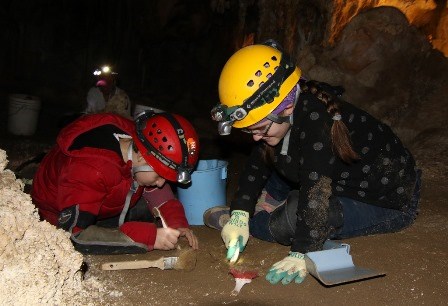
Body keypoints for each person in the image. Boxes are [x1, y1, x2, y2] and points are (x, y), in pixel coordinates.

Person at [206, 40, 421, 285]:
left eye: (259, 128)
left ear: (284, 107)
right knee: (275, 151)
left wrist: (302, 251)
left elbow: (316, 192)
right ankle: (265, 204)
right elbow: (257, 163)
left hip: (387, 200)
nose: (255, 136)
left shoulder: (318, 122)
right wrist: (239, 213)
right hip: (338, 173)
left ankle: (262, 220)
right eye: (249, 131)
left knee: (295, 218)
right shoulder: (290, 109)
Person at [32, 110, 200, 254]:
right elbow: (76, 235)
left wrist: (177, 224)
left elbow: (158, 192)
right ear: (142, 157)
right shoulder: (91, 169)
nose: (161, 183)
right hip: (56, 212)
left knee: (149, 211)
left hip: (109, 193)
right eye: (160, 176)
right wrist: (151, 238)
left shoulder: (139, 146)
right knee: (142, 229)